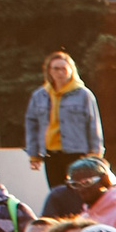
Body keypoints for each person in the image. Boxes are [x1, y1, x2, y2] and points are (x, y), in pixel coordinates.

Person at [24, 52, 102, 191]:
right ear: (49, 71)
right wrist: (33, 154)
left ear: (71, 70)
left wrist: (95, 154)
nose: (60, 73)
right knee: (56, 192)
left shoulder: (83, 94)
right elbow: (32, 125)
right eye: (56, 68)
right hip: (51, 154)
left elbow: (93, 125)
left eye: (63, 68)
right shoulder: (39, 95)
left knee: (78, 191)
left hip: (77, 153)